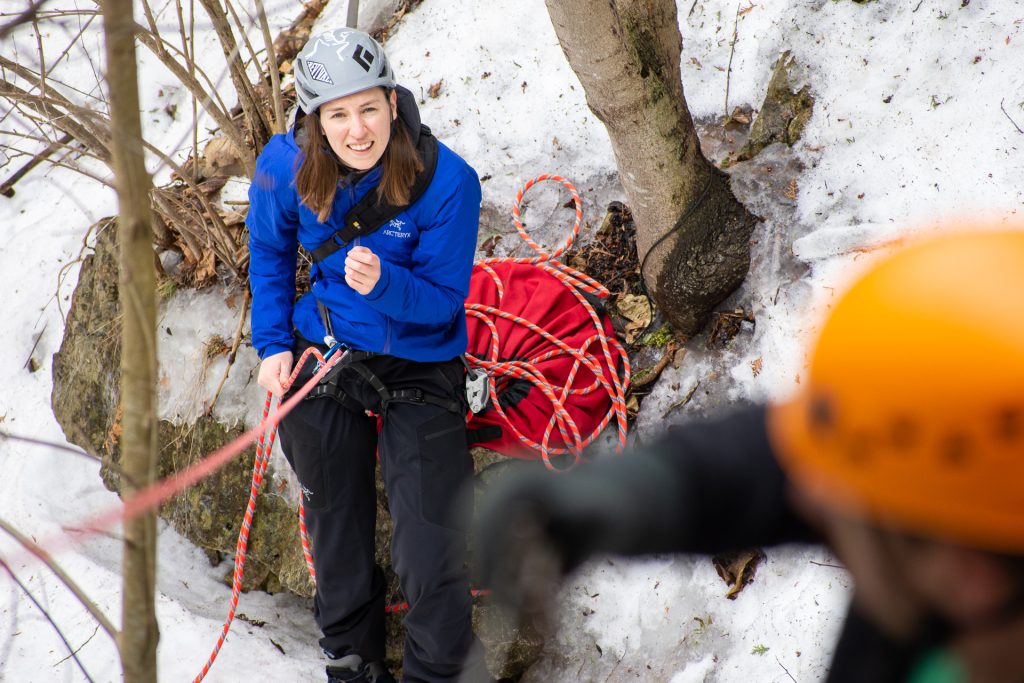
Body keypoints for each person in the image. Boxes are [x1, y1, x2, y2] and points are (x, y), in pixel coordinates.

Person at [474, 227, 1024, 683]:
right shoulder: (960, 547)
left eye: (854, 502)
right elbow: (779, 455)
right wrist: (636, 493)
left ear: (970, 575)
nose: (807, 490)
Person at [247, 28, 489, 683]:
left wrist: (384, 284)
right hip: (327, 349)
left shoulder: (448, 182)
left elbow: (443, 301)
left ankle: (438, 671)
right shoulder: (283, 166)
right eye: (338, 114)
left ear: (392, 100)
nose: (358, 130)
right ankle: (351, 662)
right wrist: (271, 343)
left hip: (418, 358)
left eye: (369, 108)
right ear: (316, 122)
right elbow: (268, 254)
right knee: (335, 514)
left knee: (428, 533)